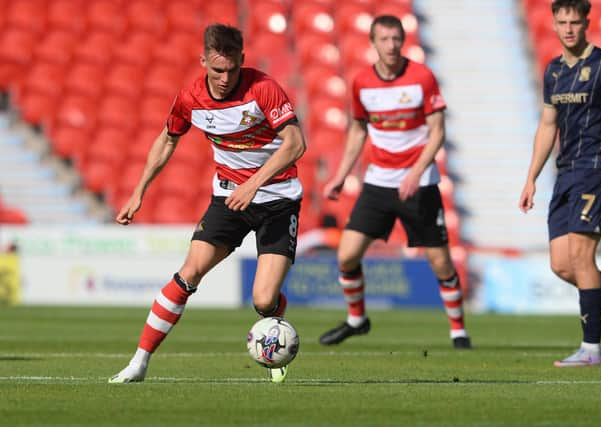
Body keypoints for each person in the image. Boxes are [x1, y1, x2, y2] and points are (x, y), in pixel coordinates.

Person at [109, 24, 306, 383]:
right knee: (188, 273)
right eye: (217, 70)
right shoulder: (190, 98)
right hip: (228, 198)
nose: (225, 78)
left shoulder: (263, 89)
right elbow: (168, 139)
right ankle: (138, 363)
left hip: (278, 199)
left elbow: (295, 143)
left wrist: (254, 184)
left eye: (232, 70)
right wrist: (139, 190)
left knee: (263, 300)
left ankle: (275, 337)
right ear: (203, 62)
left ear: (242, 61)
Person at [318, 15, 471, 349]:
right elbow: (358, 129)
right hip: (378, 183)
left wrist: (415, 173)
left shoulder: (421, 77)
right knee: (346, 256)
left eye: (395, 39)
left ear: (403, 41)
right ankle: (357, 320)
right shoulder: (362, 83)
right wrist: (341, 176)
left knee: (441, 262)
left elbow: (438, 132)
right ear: (373, 43)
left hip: (421, 184)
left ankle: (458, 331)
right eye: (384, 40)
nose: (390, 46)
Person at [519, 0, 601, 366]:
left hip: (595, 168)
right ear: (554, 25)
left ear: (586, 23)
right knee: (562, 265)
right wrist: (531, 178)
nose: (569, 28)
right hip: (565, 171)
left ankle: (591, 350)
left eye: (575, 22)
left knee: (581, 256)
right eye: (562, 22)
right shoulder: (553, 71)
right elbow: (547, 126)